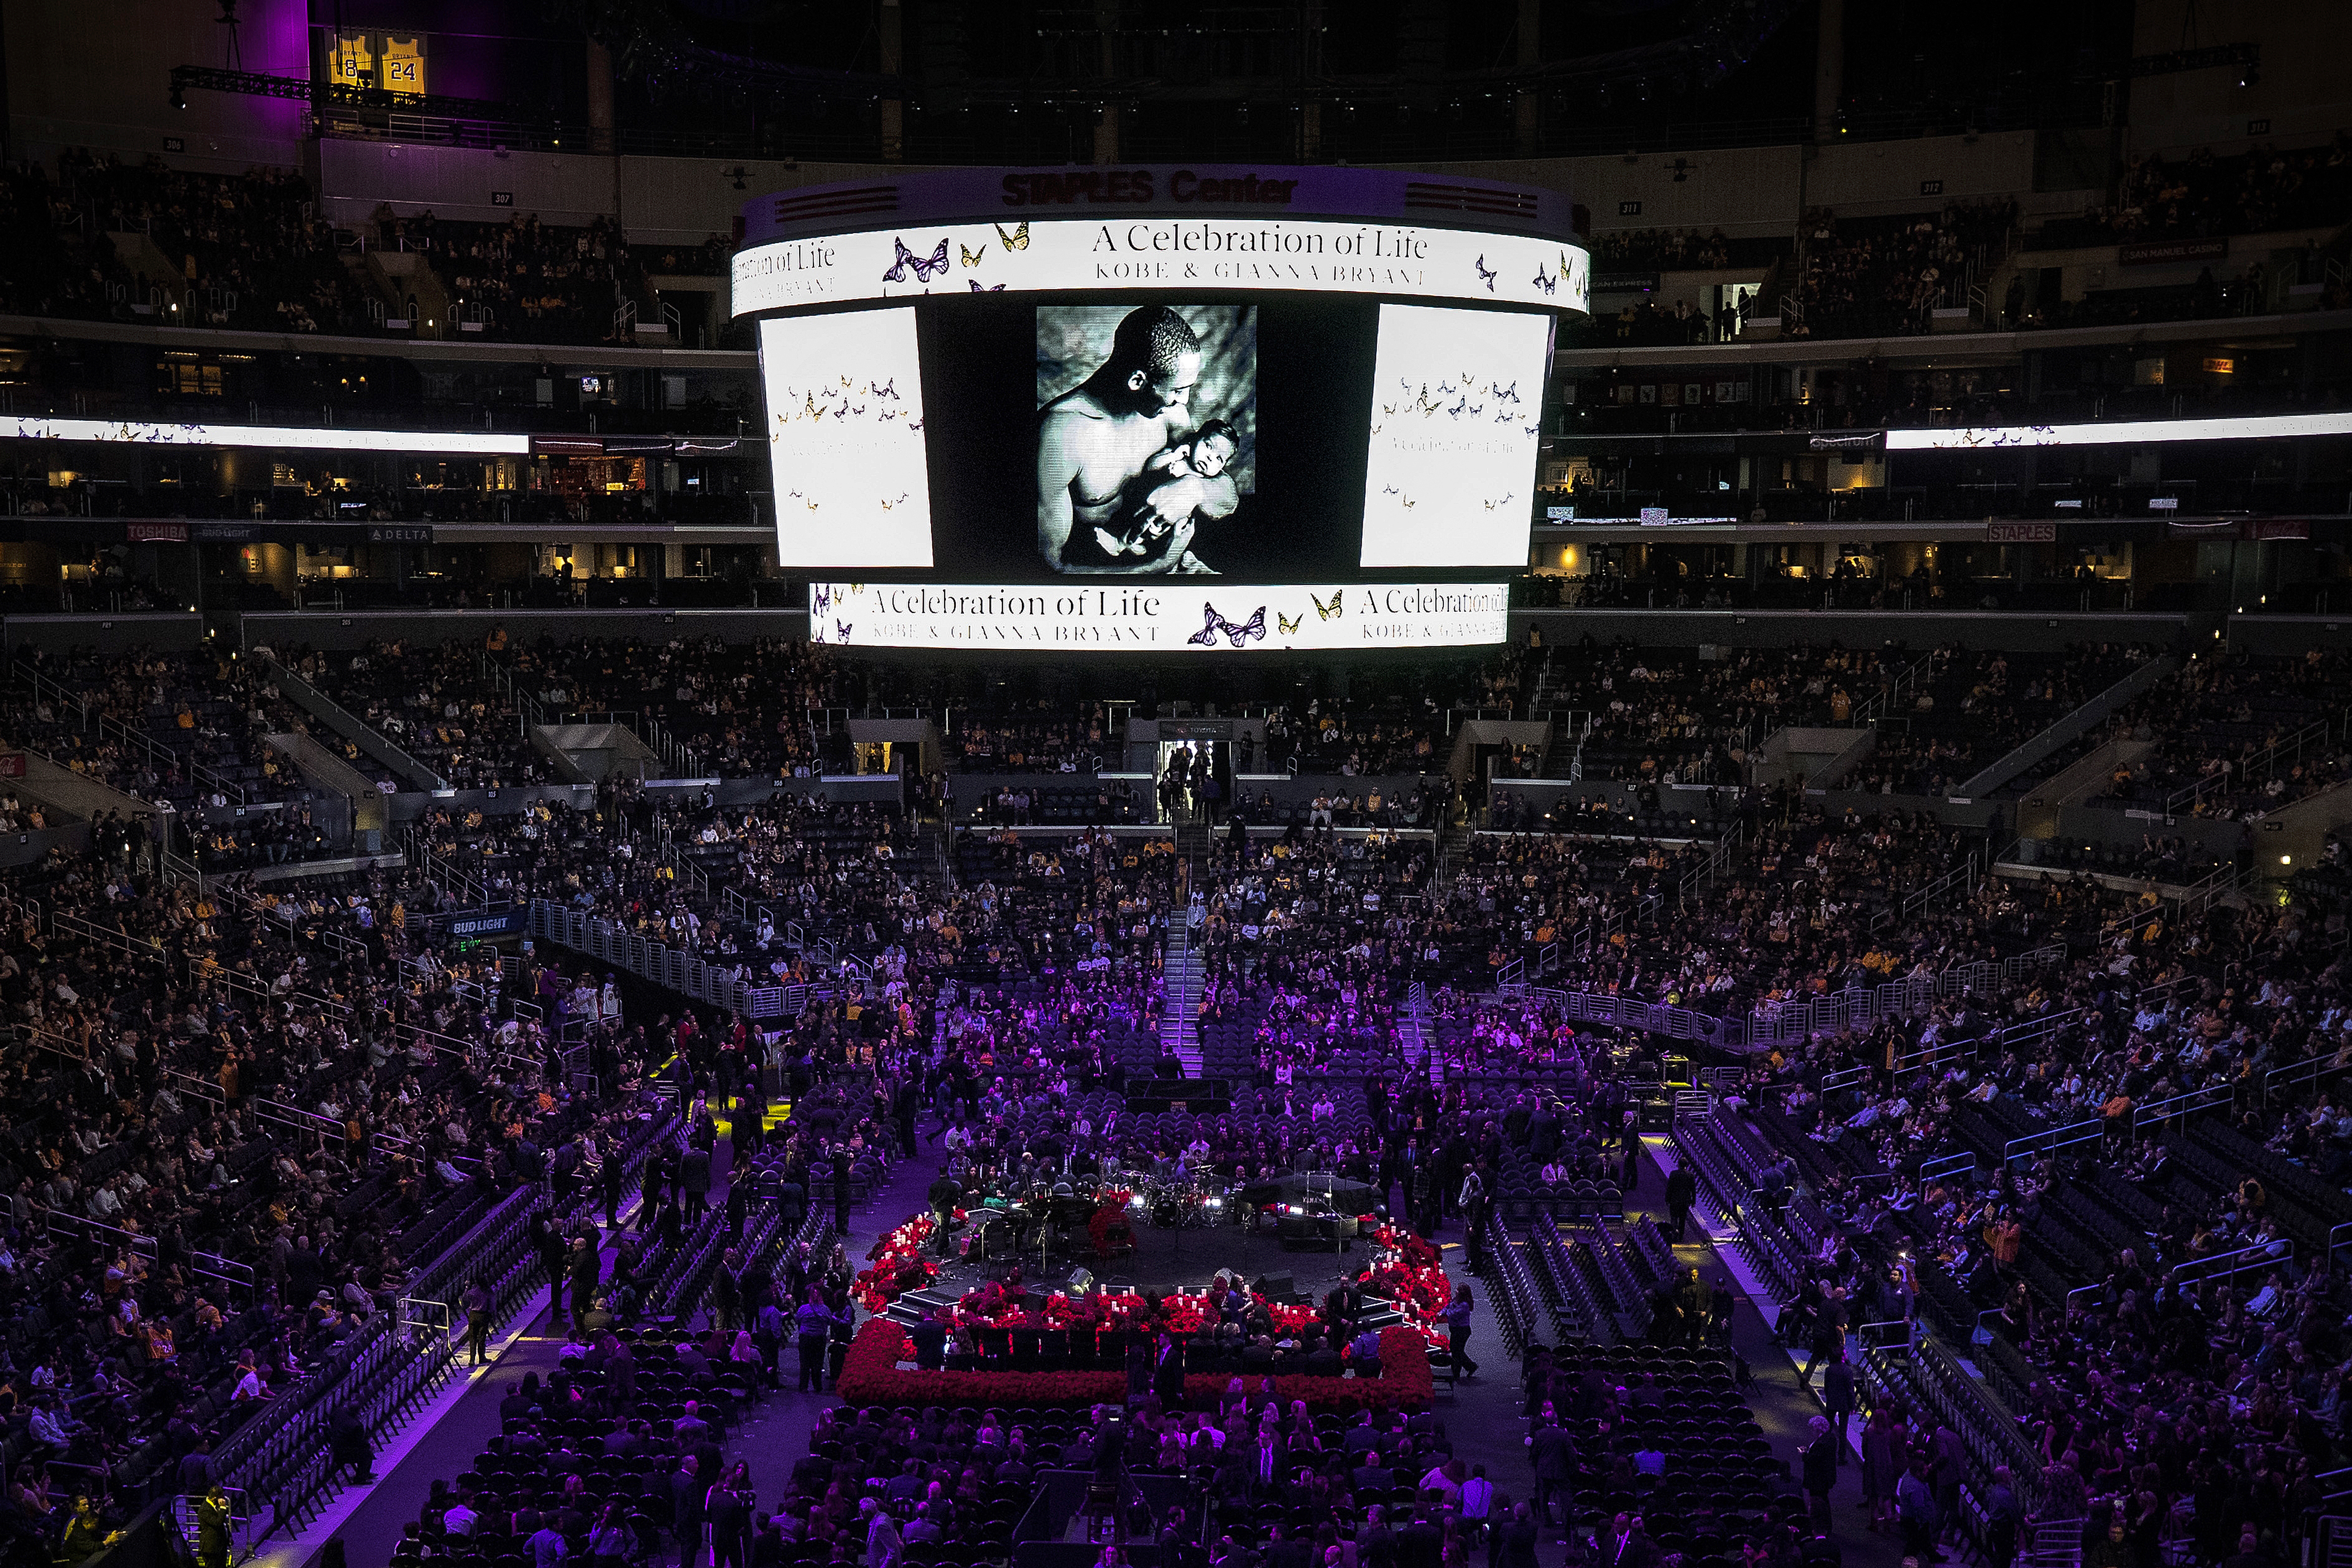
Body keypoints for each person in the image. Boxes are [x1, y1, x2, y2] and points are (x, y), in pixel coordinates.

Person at [1037, 305, 1237, 575]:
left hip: (1175, 562)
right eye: (1178, 389)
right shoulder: (1060, 436)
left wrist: (1195, 490)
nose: (1185, 401)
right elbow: (1051, 567)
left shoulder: (1169, 413)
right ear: (1137, 381)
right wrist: (1157, 566)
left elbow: (1225, 495)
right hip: (1106, 580)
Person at [1445, 1285, 1479, 1379]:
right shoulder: (1457, 1300)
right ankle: (1470, 1366)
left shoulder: (1464, 1305)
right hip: (1456, 1330)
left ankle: (1456, 1373)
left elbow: (1453, 1315)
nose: (1455, 1291)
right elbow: (1448, 1306)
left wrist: (1446, 1312)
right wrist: (1444, 1311)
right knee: (1456, 1350)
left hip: (1462, 1331)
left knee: (1457, 1352)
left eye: (1457, 1290)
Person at [462, 1278, 492, 1366]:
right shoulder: (487, 1292)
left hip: (473, 1315)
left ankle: (472, 1360)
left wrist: (467, 1287)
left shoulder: (473, 1292)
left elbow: (464, 1299)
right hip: (483, 1315)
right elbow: (492, 1304)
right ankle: (482, 1357)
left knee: (472, 1338)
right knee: (482, 1338)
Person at [1665, 1163, 1697, 1242]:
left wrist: (1667, 1199)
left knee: (1674, 1217)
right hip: (1685, 1200)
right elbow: (1693, 1190)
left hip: (1674, 1199)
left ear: (1679, 1165)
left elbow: (1670, 1187)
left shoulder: (1673, 1174)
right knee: (1683, 1219)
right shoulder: (1691, 1176)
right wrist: (1694, 1201)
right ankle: (1681, 1235)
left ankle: (1674, 1232)